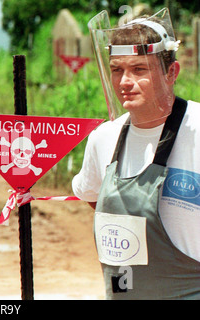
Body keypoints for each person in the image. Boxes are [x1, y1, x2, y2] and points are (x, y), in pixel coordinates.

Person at [72, 8, 200, 299]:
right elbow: (93, 197)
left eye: (139, 69)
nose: (124, 82)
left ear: (172, 72)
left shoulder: (197, 130)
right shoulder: (103, 138)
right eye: (117, 69)